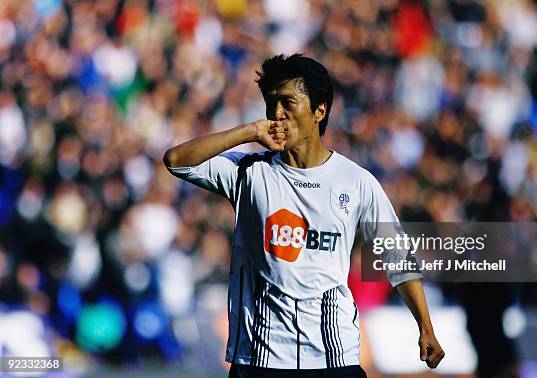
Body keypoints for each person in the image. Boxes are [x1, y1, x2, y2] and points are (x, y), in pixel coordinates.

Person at [164, 54, 444, 377]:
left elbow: (398, 256)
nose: (276, 115)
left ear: (319, 110)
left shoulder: (356, 182)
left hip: (332, 357)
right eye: (271, 104)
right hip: (260, 359)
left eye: (287, 103)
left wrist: (425, 327)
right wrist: (249, 132)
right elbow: (177, 160)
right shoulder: (249, 172)